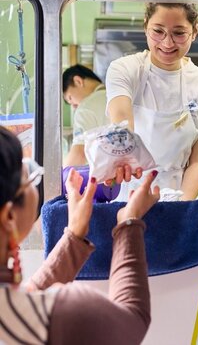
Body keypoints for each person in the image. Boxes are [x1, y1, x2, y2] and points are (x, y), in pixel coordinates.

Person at [0, 125, 159, 344]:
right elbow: (133, 320)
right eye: (27, 176)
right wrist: (129, 223)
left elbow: (24, 303)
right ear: (9, 217)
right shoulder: (69, 312)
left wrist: (74, 236)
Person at [106, 3, 198, 200]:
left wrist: (181, 208)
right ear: (146, 27)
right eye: (158, 31)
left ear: (194, 32)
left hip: (176, 193)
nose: (167, 43)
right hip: (127, 192)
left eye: (179, 33)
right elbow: (121, 122)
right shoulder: (125, 69)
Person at [63, 64, 109, 167]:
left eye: (70, 98)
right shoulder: (118, 94)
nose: (74, 106)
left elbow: (79, 154)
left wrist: (61, 177)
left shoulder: (85, 108)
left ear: (78, 81)